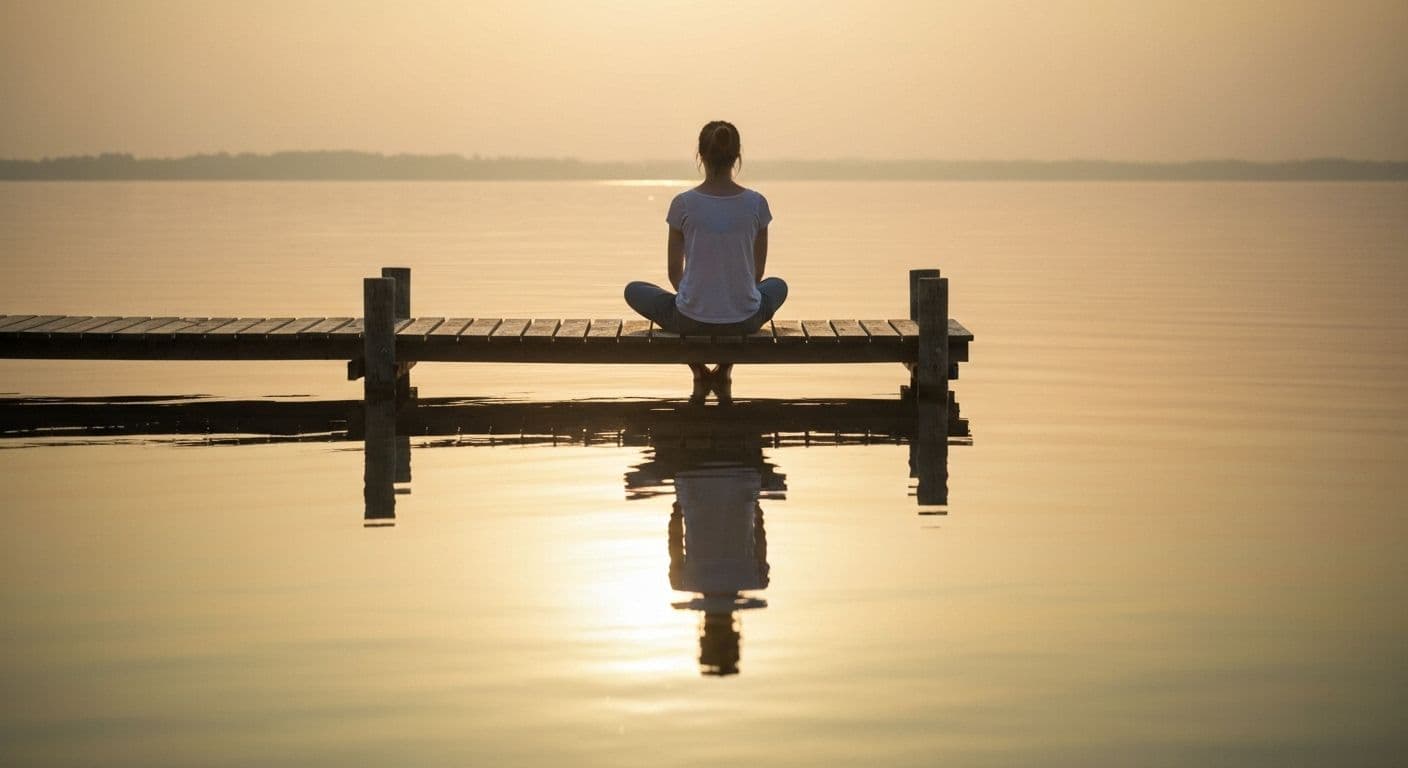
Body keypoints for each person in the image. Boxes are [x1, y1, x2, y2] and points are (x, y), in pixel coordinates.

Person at [624, 120, 788, 404]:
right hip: (744, 320)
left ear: (700, 156)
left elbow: (675, 274)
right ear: (737, 157)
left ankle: (698, 369)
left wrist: (698, 297)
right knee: (778, 286)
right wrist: (727, 299)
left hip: (690, 320)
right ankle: (725, 369)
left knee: (633, 290)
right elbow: (756, 275)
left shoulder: (683, 204)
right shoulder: (757, 203)